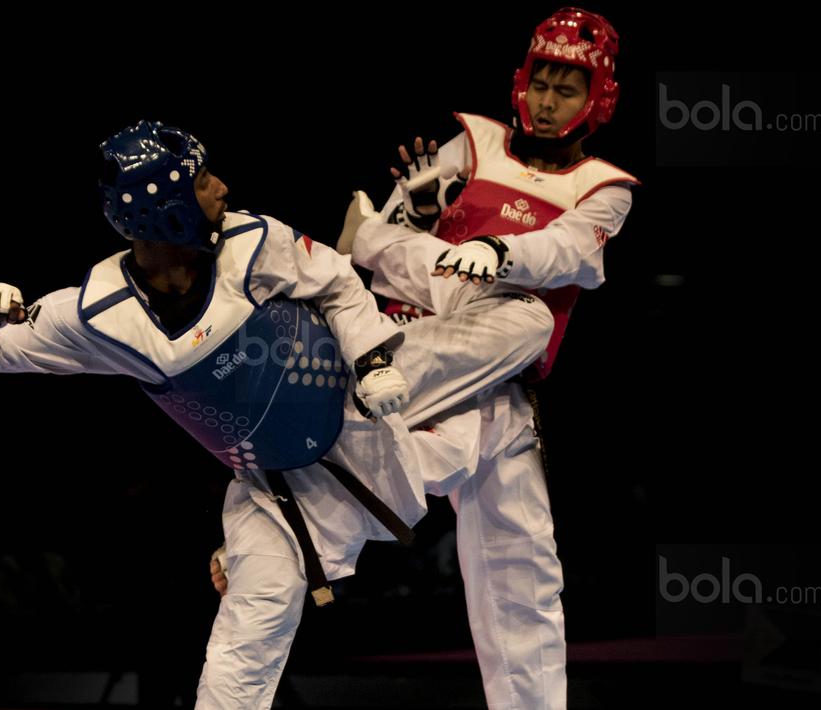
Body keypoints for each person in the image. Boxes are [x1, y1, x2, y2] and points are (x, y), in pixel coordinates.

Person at [0, 119, 554, 709]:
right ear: (168, 206)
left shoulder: (251, 240)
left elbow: (337, 280)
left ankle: (420, 286)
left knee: (528, 320)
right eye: (203, 181)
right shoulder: (100, 318)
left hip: (362, 386)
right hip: (280, 489)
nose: (222, 187)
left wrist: (372, 359)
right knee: (243, 650)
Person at [215, 8, 641, 708]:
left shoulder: (605, 189)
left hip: (496, 390)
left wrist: (483, 251)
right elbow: (361, 244)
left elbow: (569, 255)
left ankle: (278, 501)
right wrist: (411, 231)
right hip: (407, 363)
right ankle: (269, 520)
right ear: (520, 80)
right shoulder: (471, 143)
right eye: (540, 82)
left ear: (596, 98)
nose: (546, 100)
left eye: (565, 89)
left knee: (525, 579)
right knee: (516, 315)